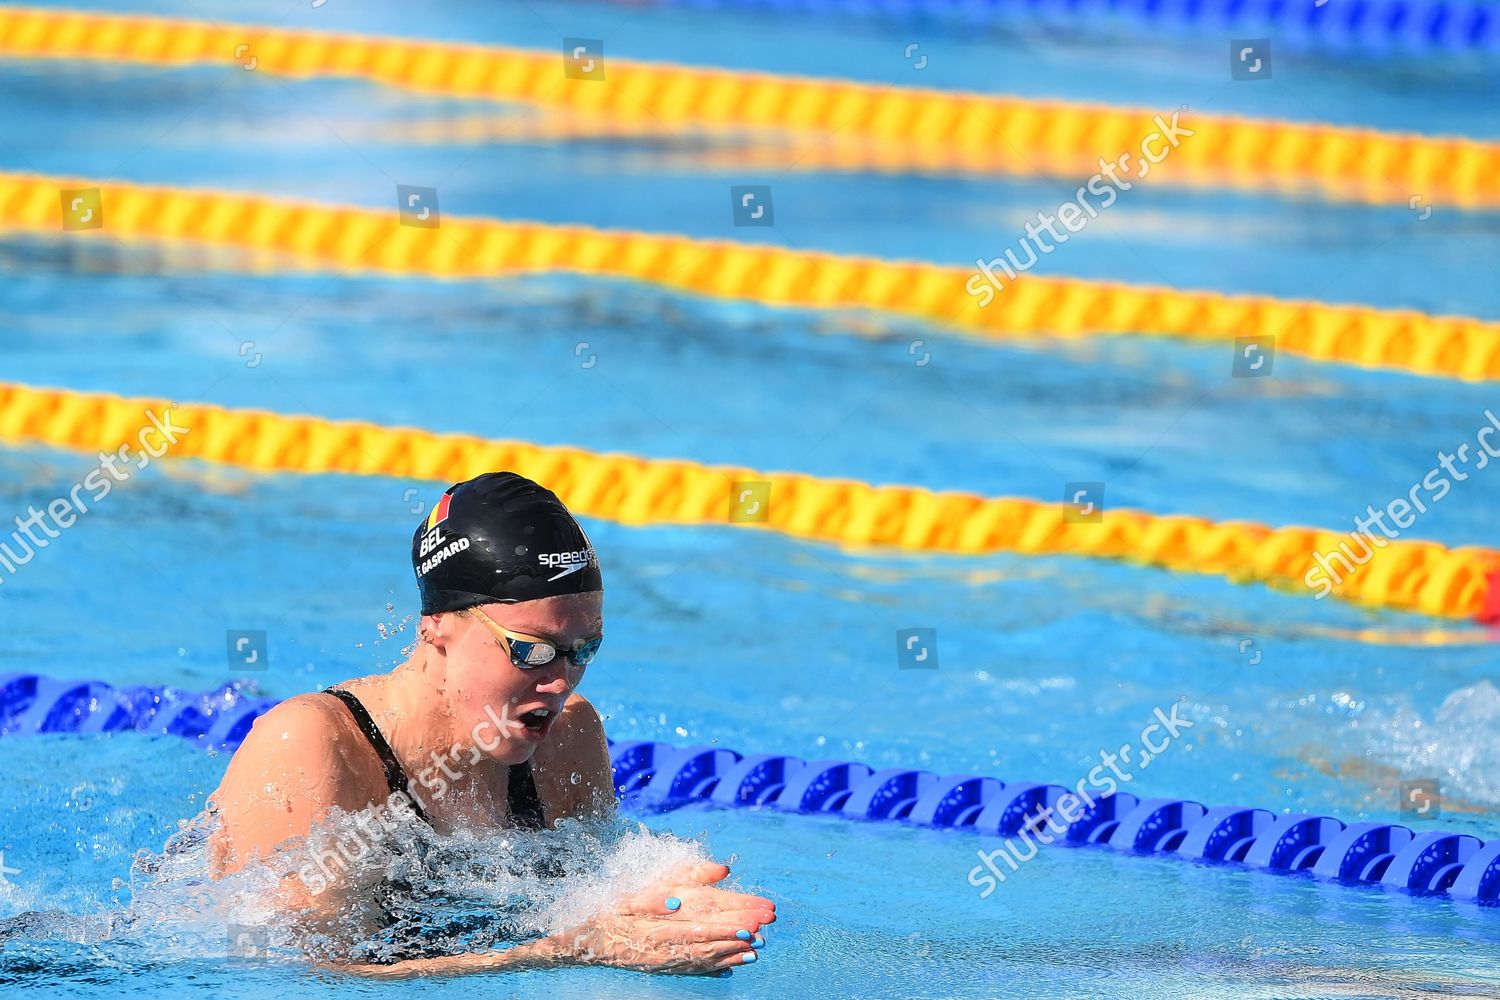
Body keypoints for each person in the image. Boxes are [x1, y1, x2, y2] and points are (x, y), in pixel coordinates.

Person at [206, 472, 774, 976]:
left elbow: (593, 909)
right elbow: (288, 977)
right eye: (531, 650)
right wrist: (572, 950)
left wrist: (662, 911)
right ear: (437, 625)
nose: (561, 682)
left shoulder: (569, 739)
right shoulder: (314, 744)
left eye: (584, 650)